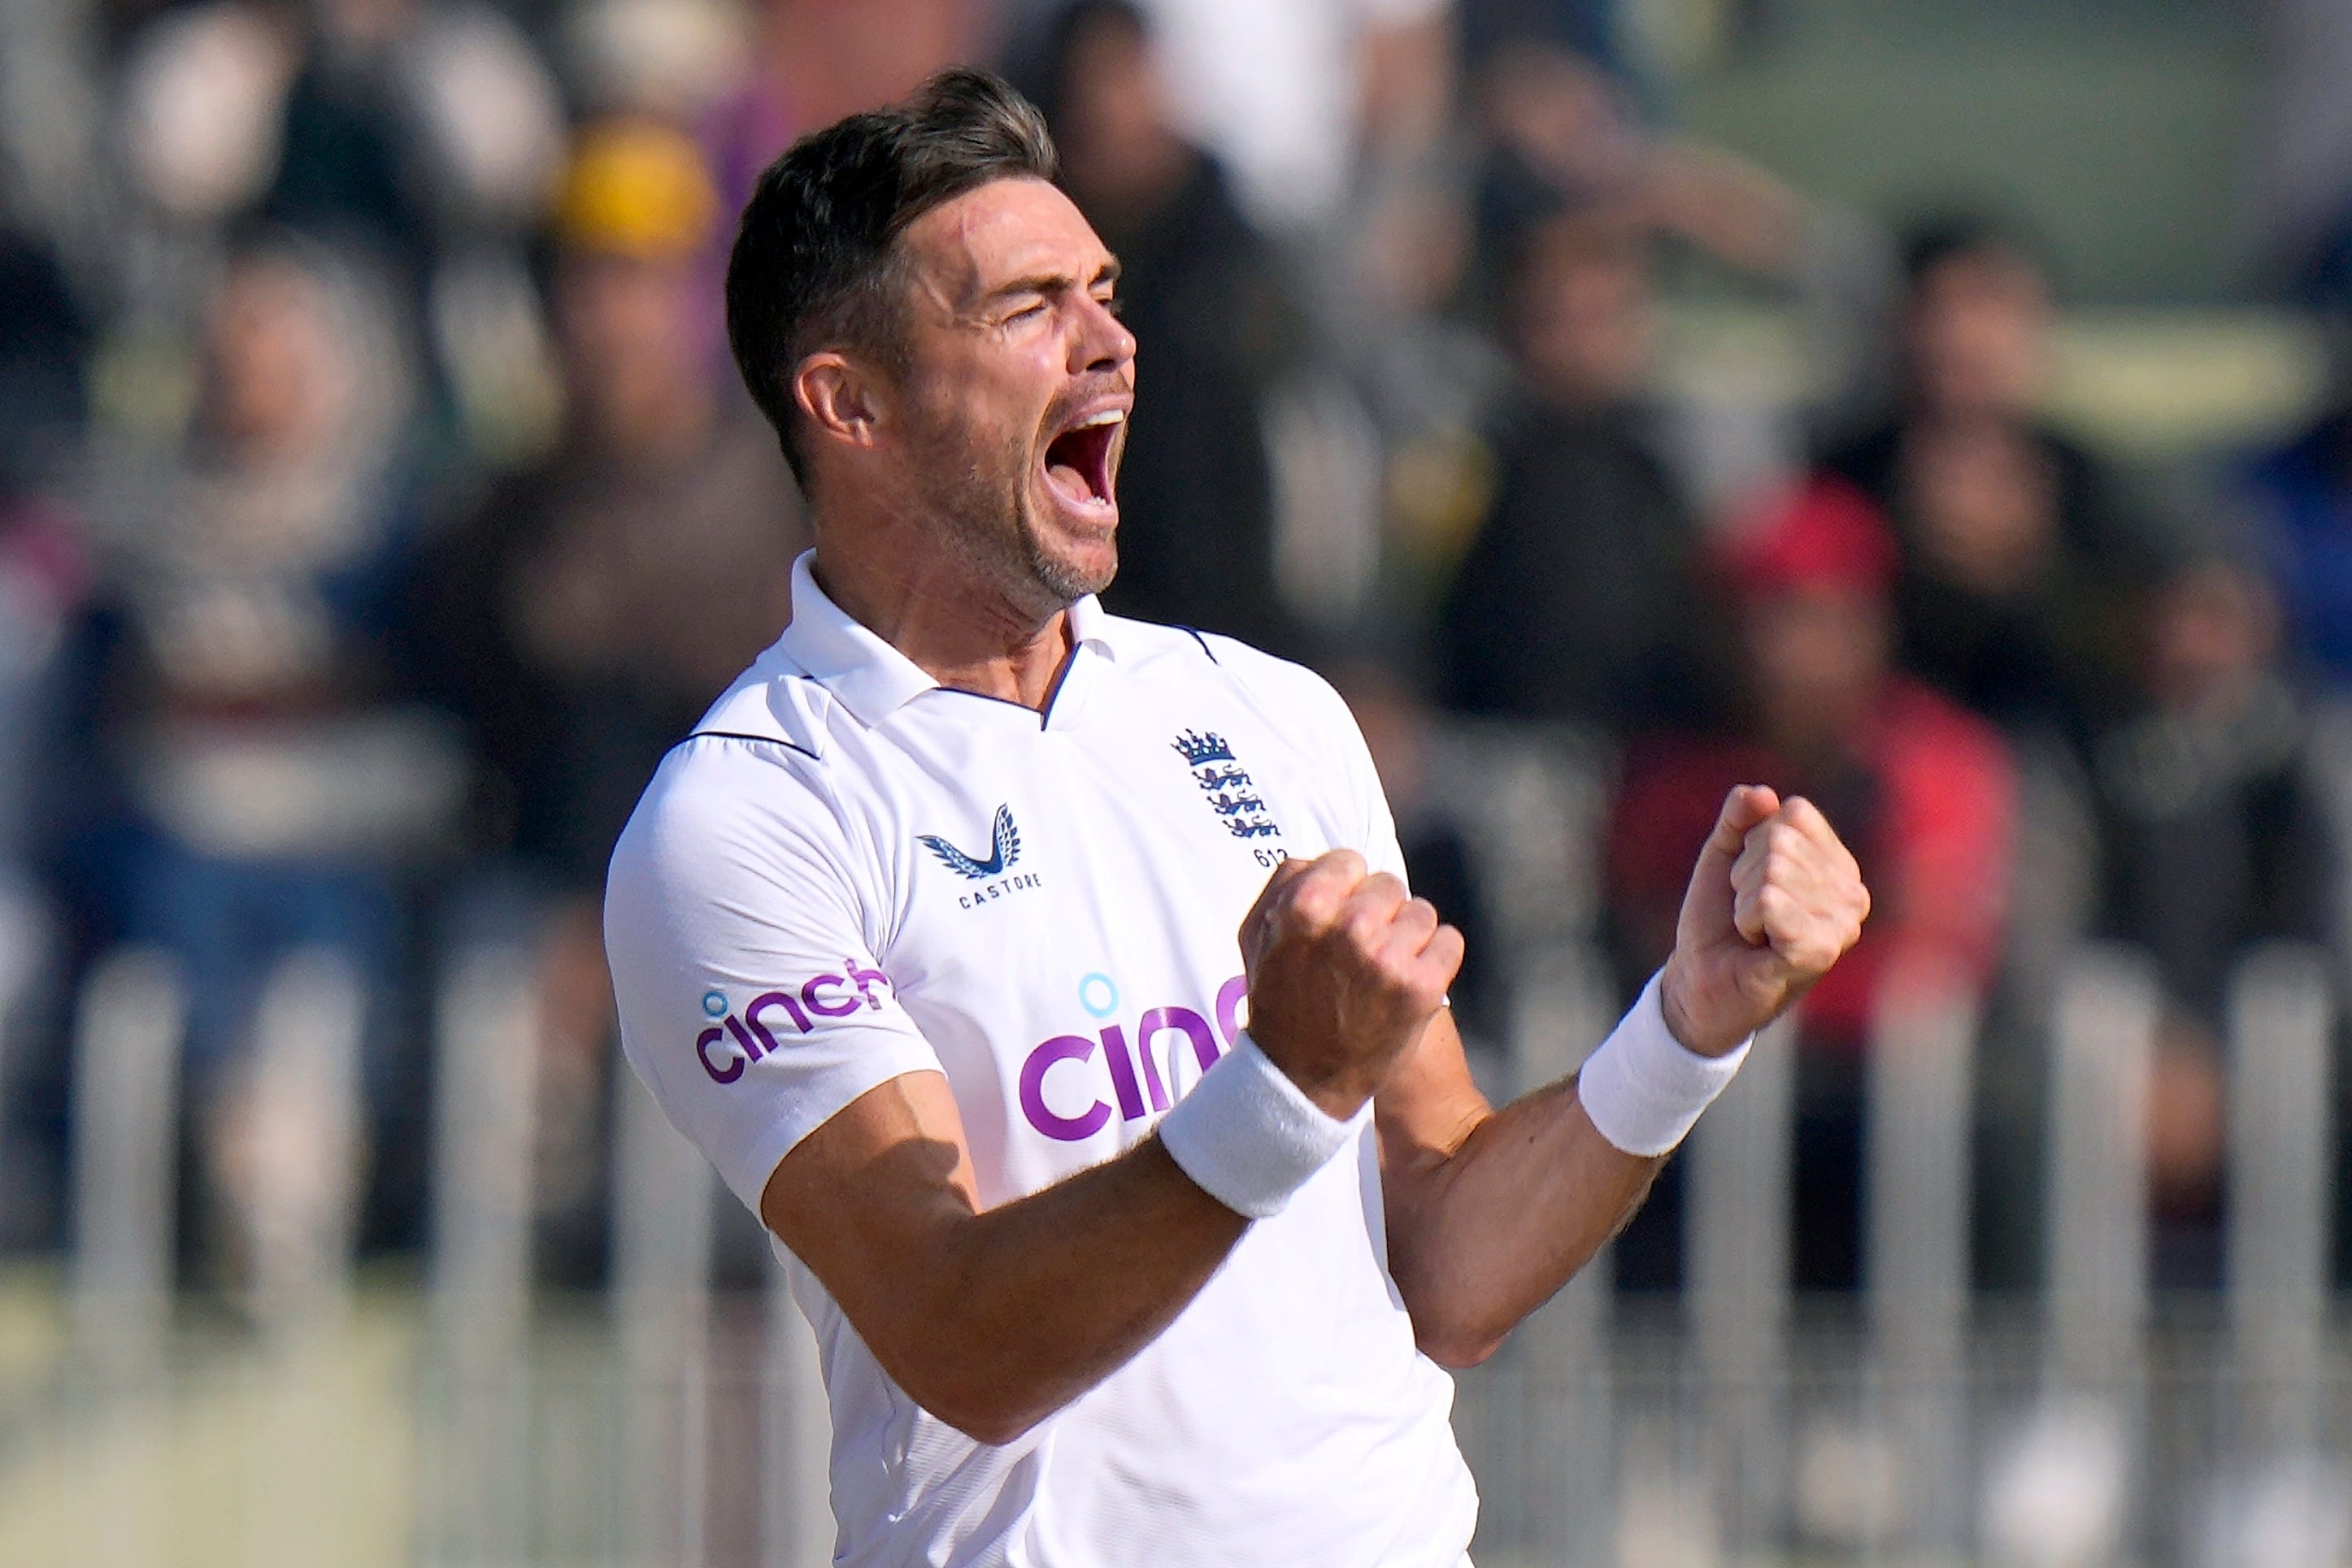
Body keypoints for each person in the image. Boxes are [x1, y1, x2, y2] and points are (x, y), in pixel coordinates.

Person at [604, 69, 1868, 1564]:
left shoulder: (1263, 712)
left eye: (1102, 289)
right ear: (849, 402)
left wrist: (1686, 1025)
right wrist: (1279, 1082)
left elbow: (1449, 1262)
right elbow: (961, 1337)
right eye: (1026, 308)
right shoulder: (748, 816)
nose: (1109, 341)